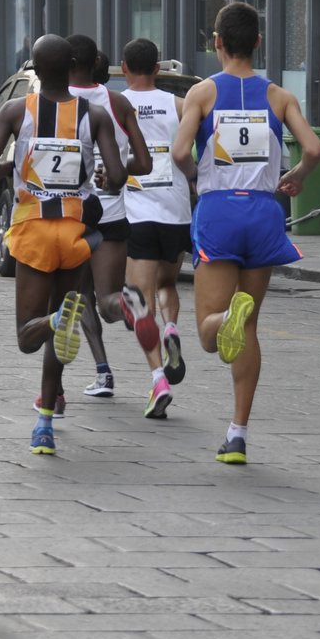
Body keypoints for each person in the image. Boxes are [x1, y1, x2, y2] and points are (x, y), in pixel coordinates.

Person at [171, 1, 320, 465]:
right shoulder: (279, 97)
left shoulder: (202, 93)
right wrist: (296, 174)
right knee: (250, 327)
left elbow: (179, 152)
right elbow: (315, 147)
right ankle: (237, 433)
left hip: (218, 210)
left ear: (216, 42)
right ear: (257, 42)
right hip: (263, 212)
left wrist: (198, 178)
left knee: (206, 332)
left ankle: (225, 318)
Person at [0, 34, 131, 456]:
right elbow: (117, 177)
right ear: (71, 68)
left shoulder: (15, 110)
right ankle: (44, 422)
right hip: (75, 234)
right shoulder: (94, 114)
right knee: (56, 335)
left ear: (35, 70)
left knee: (30, 335)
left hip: (33, 233)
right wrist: (101, 178)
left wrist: (16, 164)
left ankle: (62, 317)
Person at [65, 37, 157, 413]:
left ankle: (95, 375)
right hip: (113, 213)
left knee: (73, 298)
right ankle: (128, 309)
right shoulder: (118, 102)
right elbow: (145, 163)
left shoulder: (49, 101)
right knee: (103, 300)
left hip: (68, 215)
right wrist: (113, 171)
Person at [119, 37, 194, 406]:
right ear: (159, 68)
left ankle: (158, 379)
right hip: (176, 208)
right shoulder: (178, 104)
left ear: (124, 67)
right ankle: (172, 328)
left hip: (137, 210)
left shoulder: (117, 105)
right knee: (168, 283)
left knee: (139, 300)